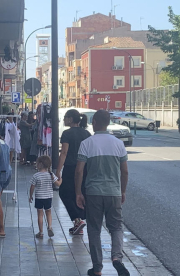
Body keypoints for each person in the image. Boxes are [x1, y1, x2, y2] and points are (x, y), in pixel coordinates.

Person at [74, 110, 130, 276]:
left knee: (94, 229)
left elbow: (79, 171)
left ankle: (97, 268)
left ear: (95, 122)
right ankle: (117, 258)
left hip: (94, 193)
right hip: (114, 192)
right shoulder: (118, 144)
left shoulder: (87, 143)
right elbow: (125, 171)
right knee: (116, 227)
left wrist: (78, 192)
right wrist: (123, 191)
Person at [55, 109, 91, 235]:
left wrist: (58, 170)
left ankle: (77, 219)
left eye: (65, 117)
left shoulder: (67, 133)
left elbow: (64, 152)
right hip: (84, 168)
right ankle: (78, 223)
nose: (63, 120)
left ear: (70, 119)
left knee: (65, 193)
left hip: (71, 168)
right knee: (80, 193)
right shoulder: (86, 133)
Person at [29, 156, 62, 239]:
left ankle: (40, 233)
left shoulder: (36, 175)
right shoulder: (51, 175)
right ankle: (50, 227)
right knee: (48, 212)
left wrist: (30, 196)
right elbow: (57, 184)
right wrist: (61, 179)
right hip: (48, 197)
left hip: (39, 198)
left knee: (40, 214)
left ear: (40, 164)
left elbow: (32, 186)